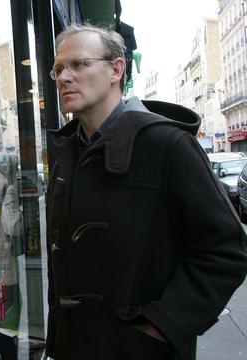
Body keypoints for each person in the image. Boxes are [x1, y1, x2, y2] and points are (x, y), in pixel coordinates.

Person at [45, 24, 247, 360]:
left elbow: (226, 250)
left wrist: (159, 327)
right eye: (58, 69)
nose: (64, 77)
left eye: (78, 65)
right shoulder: (68, 152)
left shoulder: (168, 145)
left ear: (116, 69)